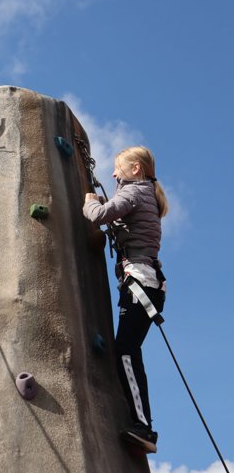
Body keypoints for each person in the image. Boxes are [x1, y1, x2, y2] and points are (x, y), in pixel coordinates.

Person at [83, 146, 169, 453]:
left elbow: (100, 215)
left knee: (125, 351)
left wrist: (90, 201)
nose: (114, 174)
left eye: (118, 169)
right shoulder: (144, 193)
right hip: (148, 283)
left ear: (135, 170)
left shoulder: (134, 192)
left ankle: (144, 426)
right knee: (128, 350)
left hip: (140, 283)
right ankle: (142, 422)